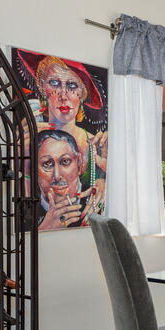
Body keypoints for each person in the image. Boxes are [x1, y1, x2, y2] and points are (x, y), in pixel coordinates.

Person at [33, 56, 107, 215]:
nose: (63, 95)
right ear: (42, 89)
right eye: (54, 83)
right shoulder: (30, 139)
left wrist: (106, 181)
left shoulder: (96, 143)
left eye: (72, 85)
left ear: (82, 93)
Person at [36, 129, 92, 229]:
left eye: (65, 161)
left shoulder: (94, 197)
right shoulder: (25, 205)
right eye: (47, 164)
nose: (57, 176)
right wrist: (43, 229)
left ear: (79, 163)